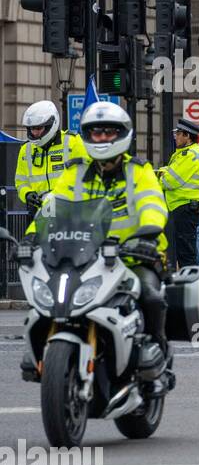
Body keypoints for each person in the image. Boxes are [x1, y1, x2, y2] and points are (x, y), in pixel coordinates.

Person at [31, 102, 172, 390]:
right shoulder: (75, 173)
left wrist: (148, 233)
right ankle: (39, 357)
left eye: (108, 133)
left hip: (133, 256)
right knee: (48, 299)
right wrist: (32, 236)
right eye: (95, 133)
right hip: (86, 256)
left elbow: (152, 203)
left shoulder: (139, 171)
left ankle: (159, 355)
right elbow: (53, 206)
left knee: (151, 296)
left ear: (122, 135)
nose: (101, 139)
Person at [14, 100, 87, 213]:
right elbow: (21, 182)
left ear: (51, 124)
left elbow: (87, 176)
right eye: (32, 129)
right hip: (41, 212)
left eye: (38, 128)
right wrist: (27, 194)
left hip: (71, 210)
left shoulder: (73, 142)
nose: (35, 133)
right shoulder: (25, 150)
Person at [156, 118, 199, 268]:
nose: (176, 136)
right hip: (183, 208)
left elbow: (170, 181)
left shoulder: (189, 155)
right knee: (183, 250)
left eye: (179, 133)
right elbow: (168, 172)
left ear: (187, 136)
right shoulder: (183, 154)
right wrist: (163, 173)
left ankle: (191, 285)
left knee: (186, 253)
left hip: (185, 208)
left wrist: (159, 177)